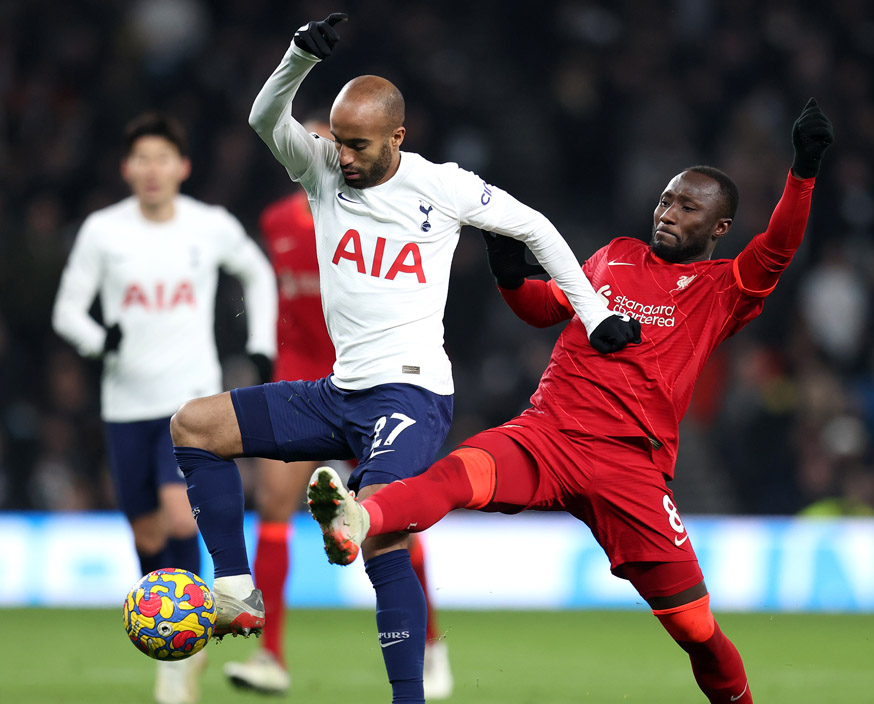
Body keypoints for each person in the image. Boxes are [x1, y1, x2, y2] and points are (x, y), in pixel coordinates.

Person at [168, 12, 637, 704]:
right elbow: (265, 118)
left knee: (384, 530)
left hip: (410, 397)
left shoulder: (441, 187)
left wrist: (593, 312)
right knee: (194, 427)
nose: (344, 156)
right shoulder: (323, 169)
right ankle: (238, 591)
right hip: (336, 392)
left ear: (398, 137)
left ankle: (396, 658)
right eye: (337, 141)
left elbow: (533, 225)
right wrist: (297, 59)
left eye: (358, 145)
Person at [306, 98, 835, 704]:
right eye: (665, 199)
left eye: (688, 207)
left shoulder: (723, 289)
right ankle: (359, 518)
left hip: (631, 467)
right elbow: (542, 308)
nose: (667, 213)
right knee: (459, 472)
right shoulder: (614, 256)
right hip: (548, 435)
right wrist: (510, 279)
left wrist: (803, 171)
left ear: (719, 229)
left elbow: (777, 248)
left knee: (693, 628)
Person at [223, 115, 454, 699]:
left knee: (386, 515)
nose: (328, 151)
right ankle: (270, 655)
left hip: (374, 377)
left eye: (335, 141)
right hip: (303, 371)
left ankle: (430, 644)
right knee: (274, 502)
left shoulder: (372, 210)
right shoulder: (276, 220)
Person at [52, 112, 277, 704]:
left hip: (189, 405)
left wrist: (261, 346)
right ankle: (175, 638)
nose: (153, 170)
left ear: (183, 167)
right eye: (141, 160)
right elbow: (67, 311)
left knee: (181, 519)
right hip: (125, 403)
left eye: (163, 158)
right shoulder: (103, 231)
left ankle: (184, 650)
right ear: (127, 169)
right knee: (148, 531)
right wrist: (100, 341)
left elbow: (257, 274)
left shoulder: (210, 225)